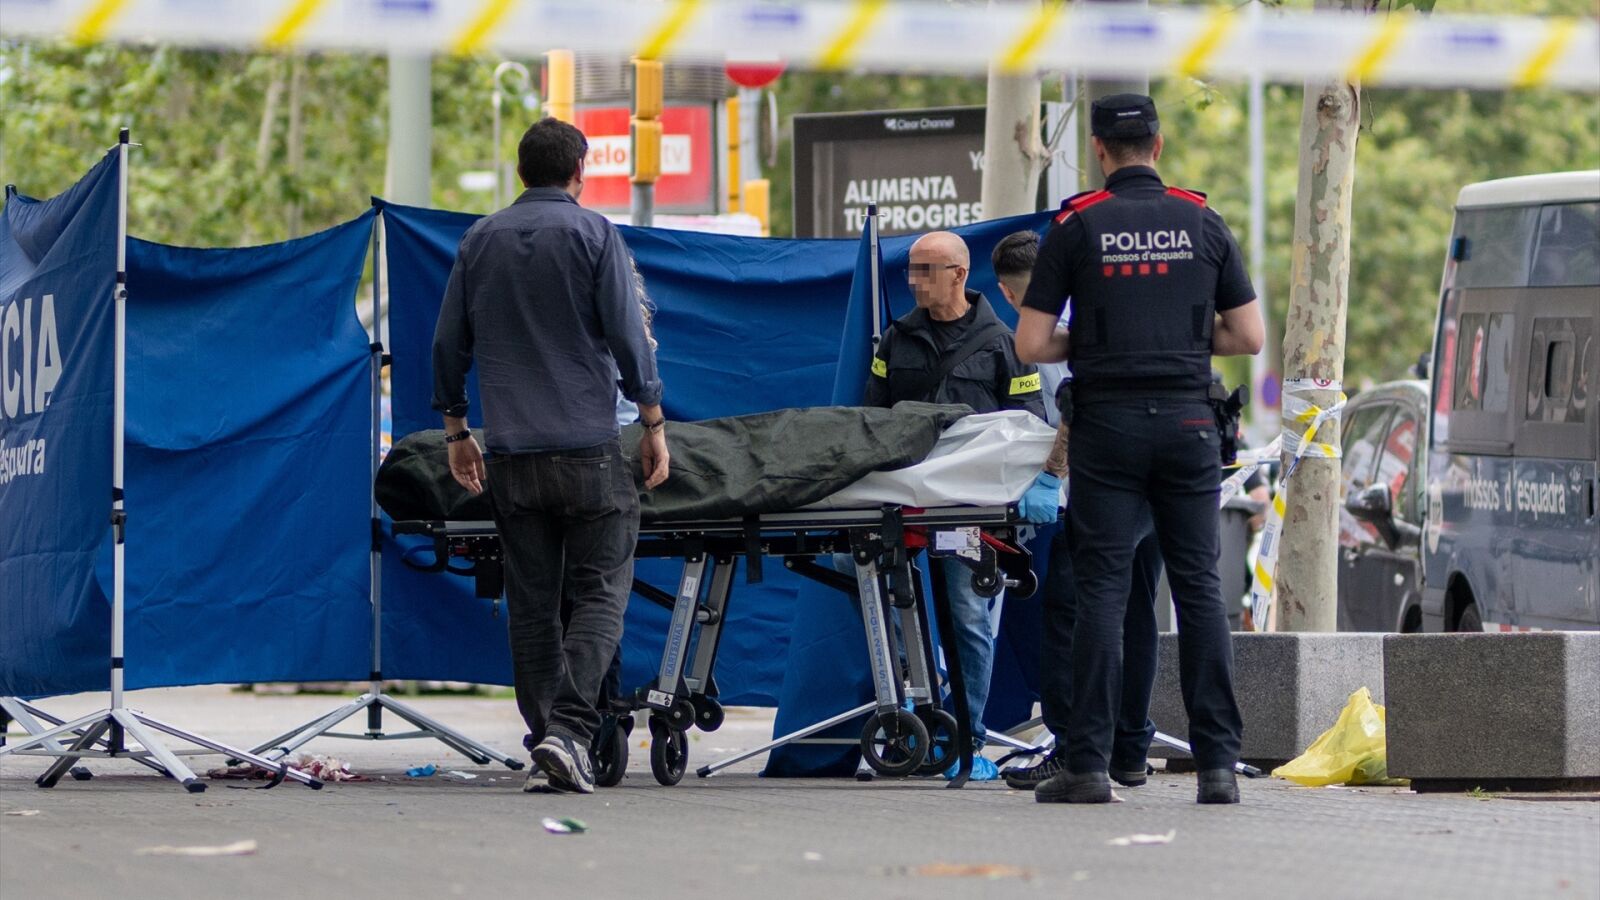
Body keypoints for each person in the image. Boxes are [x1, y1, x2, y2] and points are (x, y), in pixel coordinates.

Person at [1014, 94, 1264, 805]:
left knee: (1102, 591)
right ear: (1159, 145)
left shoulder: (1076, 225)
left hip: (1109, 428)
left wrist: (1100, 344)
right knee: (1199, 590)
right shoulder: (1202, 220)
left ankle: (1088, 766)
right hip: (1190, 425)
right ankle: (1218, 768)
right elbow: (1247, 337)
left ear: (1099, 150)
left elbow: (1031, 343)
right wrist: (1179, 341)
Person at [432, 117, 669, 795]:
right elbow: (629, 337)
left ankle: (547, 740)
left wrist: (457, 432)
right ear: (579, 171)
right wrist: (652, 420)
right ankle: (568, 733)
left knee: (533, 604)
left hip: (512, 455)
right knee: (601, 592)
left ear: (519, 171)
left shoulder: (479, 240)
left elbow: (448, 345)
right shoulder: (596, 234)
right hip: (589, 450)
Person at [864, 230, 1048, 781]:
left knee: (968, 621)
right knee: (875, 595)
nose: (914, 280)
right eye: (911, 270)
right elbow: (870, 418)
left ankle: (967, 739)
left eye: (925, 270)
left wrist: (1033, 488)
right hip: (903, 503)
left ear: (960, 275)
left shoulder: (1006, 344)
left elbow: (1031, 422)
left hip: (970, 509)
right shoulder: (894, 341)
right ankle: (913, 703)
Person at [990, 230, 1165, 792]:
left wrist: (1049, 476)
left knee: (1072, 619)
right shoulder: (1108, 303)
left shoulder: (1042, 327)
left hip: (1091, 491)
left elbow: (1075, 403)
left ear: (1006, 293)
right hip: (1159, 478)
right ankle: (1130, 748)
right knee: (1137, 616)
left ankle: (1072, 749)